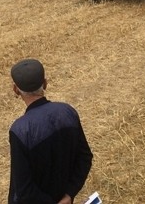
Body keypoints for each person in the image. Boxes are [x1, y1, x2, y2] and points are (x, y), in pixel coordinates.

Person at [8, 58, 93, 204]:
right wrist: (69, 195)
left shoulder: (19, 131)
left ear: (15, 89)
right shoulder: (68, 112)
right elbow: (84, 158)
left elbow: (23, 189)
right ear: (45, 83)